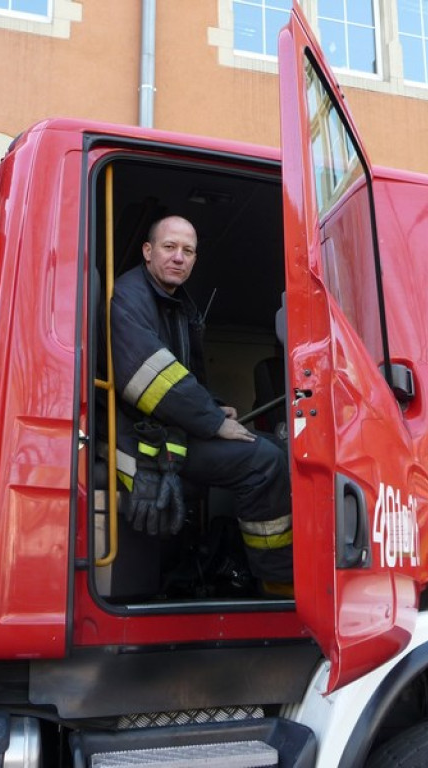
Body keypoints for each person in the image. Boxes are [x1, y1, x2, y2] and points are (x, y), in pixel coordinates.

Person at [109, 215, 293, 588]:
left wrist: (214, 405)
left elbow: (183, 375)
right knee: (265, 462)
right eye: (169, 247)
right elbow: (153, 379)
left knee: (278, 448)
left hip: (170, 429)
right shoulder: (130, 296)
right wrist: (213, 422)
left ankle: (262, 568)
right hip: (142, 438)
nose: (179, 257)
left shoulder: (173, 303)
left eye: (188, 251)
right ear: (148, 252)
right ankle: (276, 582)